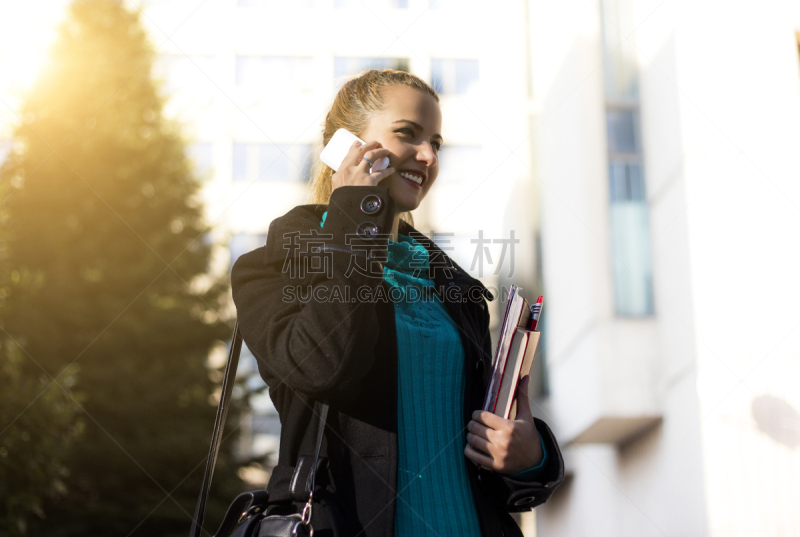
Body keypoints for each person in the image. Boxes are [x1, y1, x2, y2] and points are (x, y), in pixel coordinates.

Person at [230, 69, 564, 537]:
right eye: (408, 134)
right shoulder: (270, 270)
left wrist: (531, 457)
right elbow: (326, 366)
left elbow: (485, 446)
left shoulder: (455, 289)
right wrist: (352, 215)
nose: (427, 156)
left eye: (437, 143)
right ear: (344, 146)